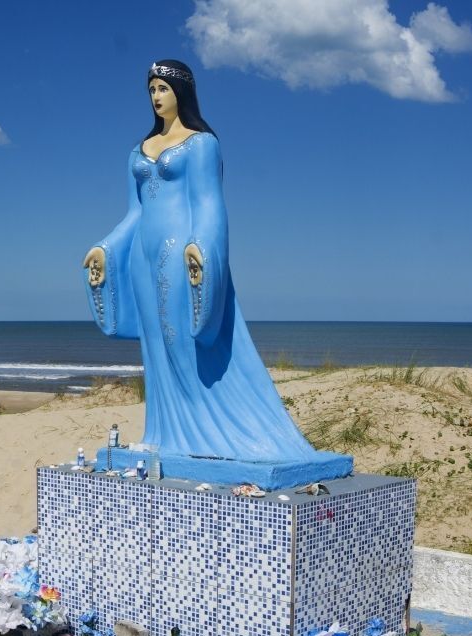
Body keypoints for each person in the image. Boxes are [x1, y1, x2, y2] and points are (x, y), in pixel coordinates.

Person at [82, 60, 351, 484]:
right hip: (141, 259)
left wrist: (202, 246)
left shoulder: (202, 144)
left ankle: (209, 435)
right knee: (156, 349)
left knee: (182, 341)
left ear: (182, 93)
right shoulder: (139, 150)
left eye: (164, 89)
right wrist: (104, 247)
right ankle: (166, 434)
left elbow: (209, 204)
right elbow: (134, 214)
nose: (156, 97)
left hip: (179, 253)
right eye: (151, 89)